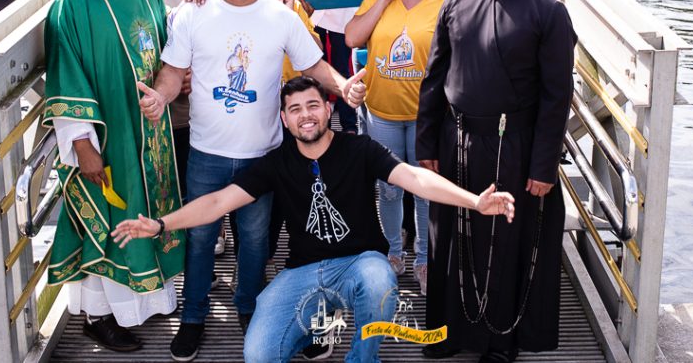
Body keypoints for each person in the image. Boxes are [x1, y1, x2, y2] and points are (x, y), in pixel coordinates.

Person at [113, 76, 516, 363]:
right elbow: (218, 202)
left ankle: (362, 358)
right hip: (302, 271)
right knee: (259, 354)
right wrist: (161, 224)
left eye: (312, 106)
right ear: (284, 120)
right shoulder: (276, 163)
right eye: (294, 110)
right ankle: (316, 323)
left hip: (360, 263)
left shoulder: (359, 149)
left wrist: (473, 202)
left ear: (328, 109)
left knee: (379, 282)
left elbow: (414, 178)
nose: (305, 116)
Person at [133, 0, 370, 361]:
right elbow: (171, 71)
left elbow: (314, 65)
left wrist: (344, 85)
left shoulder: (281, 17)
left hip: (263, 155)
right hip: (206, 151)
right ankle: (193, 317)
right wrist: (161, 96)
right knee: (200, 238)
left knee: (256, 240)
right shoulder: (192, 13)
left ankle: (249, 307)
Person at [416, 0, 576, 362]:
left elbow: (555, 97)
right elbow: (434, 77)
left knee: (505, 243)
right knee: (449, 235)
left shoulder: (548, 12)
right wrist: (427, 144)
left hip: (516, 149)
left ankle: (499, 342)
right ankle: (449, 333)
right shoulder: (458, 0)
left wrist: (544, 165)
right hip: (456, 140)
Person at [42, 0, 186, 352]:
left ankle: (147, 300)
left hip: (149, 128)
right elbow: (68, 76)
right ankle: (97, 315)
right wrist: (83, 144)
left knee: (145, 209)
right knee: (107, 219)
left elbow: (159, 43)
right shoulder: (73, 3)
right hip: (109, 135)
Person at [345, 0, 444, 295]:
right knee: (388, 189)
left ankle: (423, 261)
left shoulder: (443, 2)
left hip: (426, 115)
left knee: (424, 190)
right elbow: (353, 38)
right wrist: (383, 1)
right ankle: (391, 250)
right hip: (381, 111)